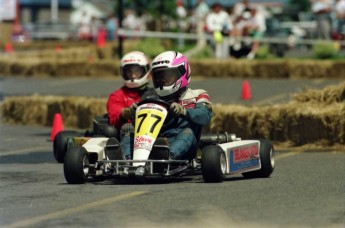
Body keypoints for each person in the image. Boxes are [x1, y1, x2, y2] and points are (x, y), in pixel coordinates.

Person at [149, 51, 213, 160]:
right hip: (152, 141)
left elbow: (205, 116)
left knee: (187, 132)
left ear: (182, 72)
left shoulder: (198, 95)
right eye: (158, 77)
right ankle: (126, 160)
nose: (162, 80)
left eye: (167, 76)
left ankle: (168, 156)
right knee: (128, 131)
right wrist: (133, 113)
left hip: (185, 143)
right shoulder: (152, 99)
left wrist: (183, 111)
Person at [106, 51, 156, 159]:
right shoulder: (117, 96)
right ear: (123, 72)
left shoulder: (156, 94)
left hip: (153, 132)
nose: (133, 76)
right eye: (129, 72)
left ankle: (164, 153)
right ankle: (126, 159)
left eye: (137, 72)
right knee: (127, 127)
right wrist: (126, 113)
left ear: (146, 71)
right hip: (128, 133)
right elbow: (114, 116)